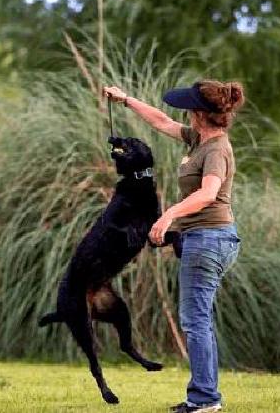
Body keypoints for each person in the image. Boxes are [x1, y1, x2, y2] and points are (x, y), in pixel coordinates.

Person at [103, 81, 243, 413]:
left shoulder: (216, 150)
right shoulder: (199, 139)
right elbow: (161, 121)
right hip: (205, 237)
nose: (183, 113)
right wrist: (126, 100)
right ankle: (205, 396)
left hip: (210, 238)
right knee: (199, 317)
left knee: (195, 319)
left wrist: (168, 216)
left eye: (188, 108)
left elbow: (208, 193)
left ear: (199, 114)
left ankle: (205, 399)